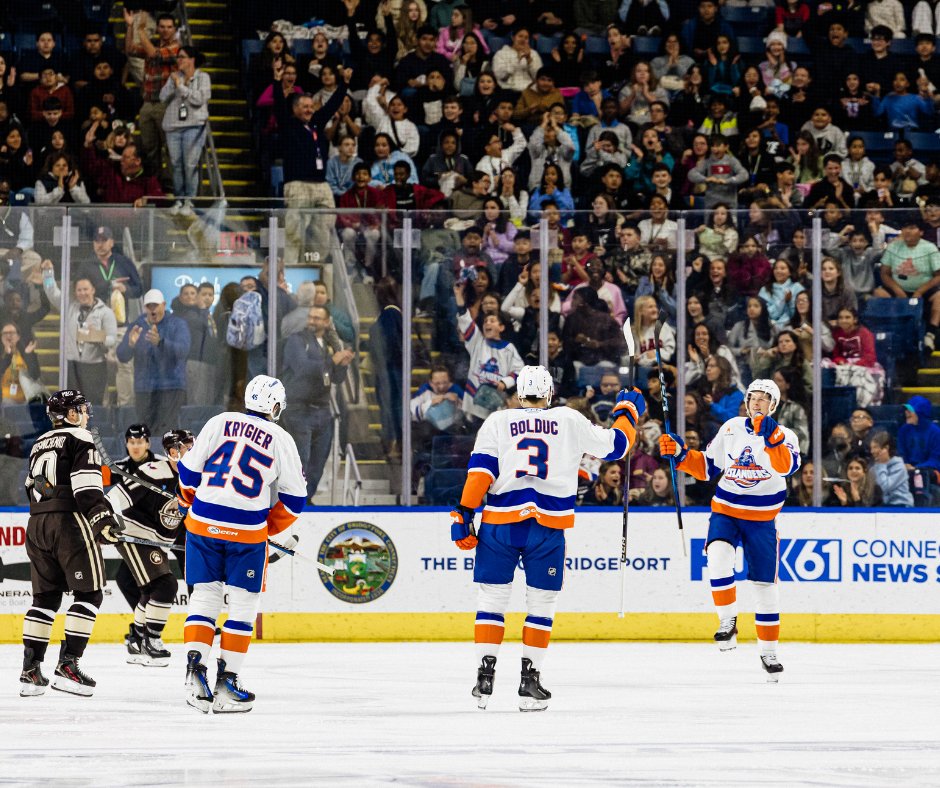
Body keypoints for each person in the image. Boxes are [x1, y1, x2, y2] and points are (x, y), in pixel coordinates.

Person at [450, 365, 645, 710]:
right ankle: (530, 682)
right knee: (541, 604)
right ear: (551, 394)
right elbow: (616, 447)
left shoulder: (498, 421)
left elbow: (480, 473)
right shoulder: (568, 419)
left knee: (492, 600)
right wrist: (626, 411)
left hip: (501, 524)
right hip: (548, 526)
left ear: (519, 394)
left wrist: (464, 515)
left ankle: (484, 678)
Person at [177, 375, 307, 713]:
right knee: (244, 605)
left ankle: (194, 675)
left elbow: (188, 476)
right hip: (247, 531)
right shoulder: (281, 438)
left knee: (204, 597)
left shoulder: (218, 422)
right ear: (275, 406)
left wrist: (187, 503)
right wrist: (265, 527)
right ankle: (227, 684)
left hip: (203, 523)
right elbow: (294, 501)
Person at [660, 379, 801, 680]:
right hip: (725, 509)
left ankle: (769, 652)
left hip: (762, 519)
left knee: (766, 587)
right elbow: (708, 467)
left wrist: (772, 437)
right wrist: (681, 454)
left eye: (764, 398)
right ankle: (727, 621)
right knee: (718, 555)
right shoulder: (731, 428)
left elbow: (787, 467)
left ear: (773, 405)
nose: (757, 402)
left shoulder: (786, 435)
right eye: (753, 397)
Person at [20, 390, 124, 697]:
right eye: (81, 409)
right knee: (89, 594)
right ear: (71, 414)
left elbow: (32, 487)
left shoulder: (39, 443)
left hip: (37, 524)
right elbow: (87, 489)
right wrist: (102, 520)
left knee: (45, 600)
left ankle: (30, 671)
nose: (86, 414)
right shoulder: (81, 438)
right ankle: (68, 666)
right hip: (69, 524)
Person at [107, 425, 192, 667]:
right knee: (165, 584)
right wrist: (103, 520)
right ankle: (151, 641)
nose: (192, 453)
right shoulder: (152, 471)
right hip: (134, 533)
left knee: (148, 590)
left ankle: (136, 639)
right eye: (186, 449)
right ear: (173, 451)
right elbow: (114, 497)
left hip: (156, 540)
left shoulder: (195, 478)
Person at [280, 305, 355, 501]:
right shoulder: (297, 340)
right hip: (299, 409)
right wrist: (333, 360)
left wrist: (343, 365)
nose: (312, 321)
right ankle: (292, 501)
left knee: (318, 462)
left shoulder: (331, 344)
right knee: (301, 460)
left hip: (322, 410)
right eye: (310, 317)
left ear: (327, 322)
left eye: (317, 318)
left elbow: (335, 379)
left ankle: (306, 499)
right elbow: (302, 368)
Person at [274, 84, 348, 270]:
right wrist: (277, 83)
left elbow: (332, 106)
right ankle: (290, 270)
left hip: (321, 186)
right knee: (294, 233)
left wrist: (344, 84)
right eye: (304, 106)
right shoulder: (288, 124)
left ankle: (317, 268)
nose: (309, 109)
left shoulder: (316, 124)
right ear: (295, 109)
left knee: (323, 232)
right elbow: (279, 107)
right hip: (298, 185)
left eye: (311, 106)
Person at [116, 289, 191, 438]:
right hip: (145, 388)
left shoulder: (177, 324)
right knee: (145, 431)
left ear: (163, 305)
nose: (152, 310)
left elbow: (183, 351)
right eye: (149, 306)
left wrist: (161, 343)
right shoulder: (137, 326)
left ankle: (166, 460)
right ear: (144, 308)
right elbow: (122, 356)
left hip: (171, 386)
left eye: (155, 306)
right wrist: (130, 344)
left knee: (166, 430)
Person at [124, 10, 180, 189]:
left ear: (174, 29)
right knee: (149, 148)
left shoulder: (177, 48)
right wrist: (130, 26)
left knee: (169, 148)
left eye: (169, 27)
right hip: (147, 103)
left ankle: (172, 184)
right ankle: (154, 184)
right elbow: (131, 49)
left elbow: (155, 55)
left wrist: (140, 31)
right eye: (162, 27)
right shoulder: (153, 44)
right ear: (157, 28)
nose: (165, 30)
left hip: (167, 105)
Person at [160, 47, 211, 216]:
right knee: (176, 165)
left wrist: (181, 88)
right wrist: (173, 85)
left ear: (192, 59)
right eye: (178, 57)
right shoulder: (174, 77)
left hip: (194, 126)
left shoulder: (203, 77)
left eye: (182, 57)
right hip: (173, 126)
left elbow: (199, 99)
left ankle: (189, 200)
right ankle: (178, 199)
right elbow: (162, 97)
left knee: (189, 164)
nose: (179, 60)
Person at [870, 430, 915, 507]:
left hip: (901, 505)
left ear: (886, 448)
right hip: (883, 505)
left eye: (875, 447)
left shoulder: (899, 466)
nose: (872, 451)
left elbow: (884, 488)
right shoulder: (874, 468)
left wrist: (882, 464)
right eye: (871, 448)